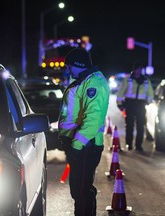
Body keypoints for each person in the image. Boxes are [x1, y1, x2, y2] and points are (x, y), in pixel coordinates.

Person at [58, 48, 110, 216]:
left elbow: (92, 119)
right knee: (80, 189)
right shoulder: (84, 80)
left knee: (81, 190)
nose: (68, 70)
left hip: (86, 145)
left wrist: (77, 145)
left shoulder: (93, 83)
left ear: (79, 65)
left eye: (69, 66)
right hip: (80, 144)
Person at [116, 62, 154, 152]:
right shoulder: (128, 79)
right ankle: (129, 144)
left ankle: (138, 145)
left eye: (140, 69)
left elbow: (150, 93)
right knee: (129, 125)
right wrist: (120, 104)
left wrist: (148, 102)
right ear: (134, 69)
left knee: (140, 126)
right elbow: (121, 92)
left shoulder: (145, 80)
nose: (139, 70)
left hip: (141, 105)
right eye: (137, 68)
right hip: (130, 104)